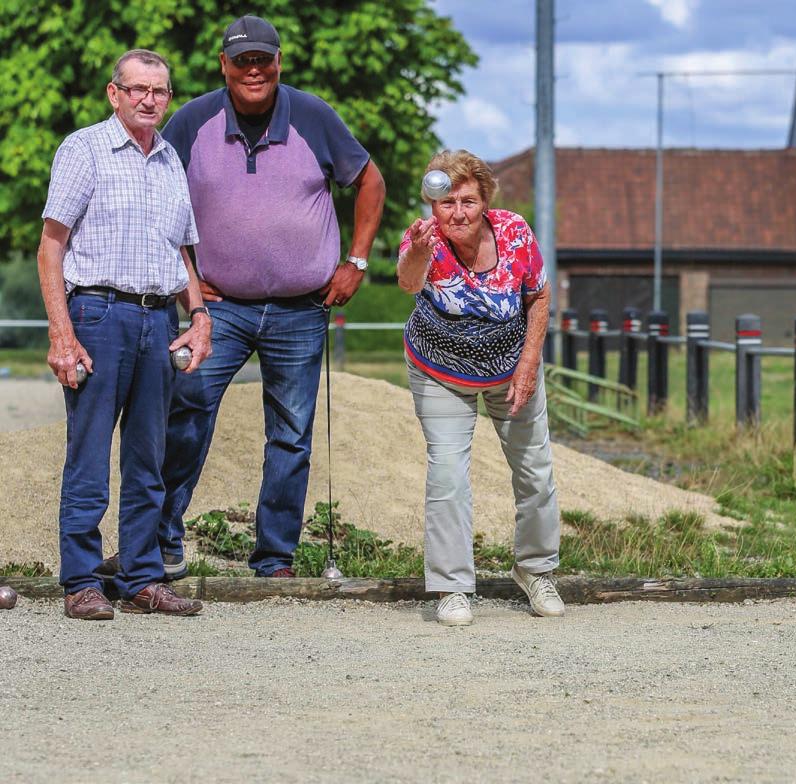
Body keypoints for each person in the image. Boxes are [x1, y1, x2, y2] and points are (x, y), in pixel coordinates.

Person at [154, 15, 386, 578]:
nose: (253, 70)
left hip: (302, 308)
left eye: (264, 59)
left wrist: (356, 260)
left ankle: (275, 557)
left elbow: (370, 181)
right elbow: (153, 195)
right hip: (218, 309)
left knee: (290, 433)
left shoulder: (312, 115)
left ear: (279, 62)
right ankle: (160, 544)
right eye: (242, 61)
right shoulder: (193, 120)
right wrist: (183, 281)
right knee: (185, 411)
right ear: (223, 65)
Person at [38, 49, 212, 620]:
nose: (148, 99)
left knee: (148, 457)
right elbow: (51, 246)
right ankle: (82, 581)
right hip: (98, 313)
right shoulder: (83, 149)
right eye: (136, 89)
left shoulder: (169, 160)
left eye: (159, 91)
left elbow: (181, 251)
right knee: (88, 455)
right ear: (114, 94)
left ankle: (142, 577)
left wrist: (199, 316)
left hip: (159, 319)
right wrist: (62, 334)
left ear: (168, 97)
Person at [397, 149, 564, 626]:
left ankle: (536, 570)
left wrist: (530, 361)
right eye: (446, 202)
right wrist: (419, 252)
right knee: (448, 474)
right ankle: (451, 586)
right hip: (440, 369)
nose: (458, 212)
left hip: (511, 365)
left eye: (468, 201)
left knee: (535, 470)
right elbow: (408, 284)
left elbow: (538, 294)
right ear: (433, 204)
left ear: (484, 200)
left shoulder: (514, 232)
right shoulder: (423, 239)